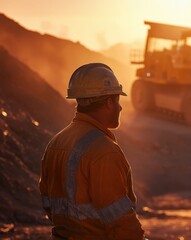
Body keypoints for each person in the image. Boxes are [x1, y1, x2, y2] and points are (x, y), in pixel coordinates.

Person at [39, 63, 145, 239]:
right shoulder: (105, 152)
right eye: (117, 100)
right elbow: (121, 222)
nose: (120, 107)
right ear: (109, 102)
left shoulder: (55, 144)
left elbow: (48, 203)